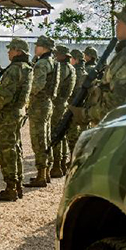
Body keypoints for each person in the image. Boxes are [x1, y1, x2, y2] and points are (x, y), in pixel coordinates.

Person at [0, 38, 33, 201]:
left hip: (8, 114)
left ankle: (11, 188)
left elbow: (6, 94)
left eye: (11, 49)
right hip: (18, 112)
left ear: (18, 52)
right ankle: (17, 184)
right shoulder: (27, 68)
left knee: (7, 151)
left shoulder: (15, 69)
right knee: (16, 148)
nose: (8, 52)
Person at [25, 35, 57, 188]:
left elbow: (36, 86)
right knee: (45, 138)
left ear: (44, 48)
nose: (35, 48)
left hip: (39, 105)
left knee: (38, 140)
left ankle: (41, 175)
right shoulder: (52, 62)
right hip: (47, 104)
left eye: (37, 45)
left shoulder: (42, 63)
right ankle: (46, 172)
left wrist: (25, 94)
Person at [50, 45, 76, 177]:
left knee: (56, 134)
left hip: (58, 104)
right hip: (64, 103)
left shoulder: (63, 68)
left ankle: (56, 165)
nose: (55, 56)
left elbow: (57, 86)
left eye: (57, 54)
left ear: (62, 55)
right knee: (62, 135)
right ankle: (61, 163)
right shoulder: (71, 68)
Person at [66, 49, 86, 157]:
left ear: (76, 60)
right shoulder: (84, 72)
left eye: (71, 59)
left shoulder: (75, 73)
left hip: (74, 108)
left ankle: (75, 159)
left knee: (72, 135)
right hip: (82, 109)